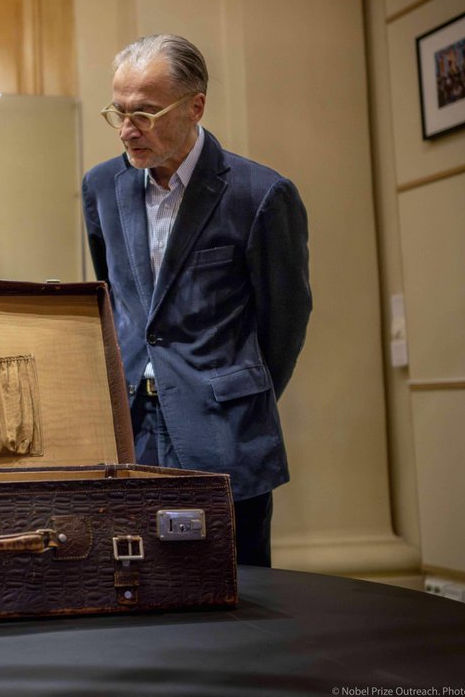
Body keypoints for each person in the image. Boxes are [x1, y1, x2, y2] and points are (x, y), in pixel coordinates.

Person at [81, 35, 312, 567]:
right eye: (117, 111)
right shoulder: (101, 186)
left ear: (195, 107)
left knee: (236, 594)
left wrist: (232, 389)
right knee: (132, 586)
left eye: (143, 112)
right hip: (129, 432)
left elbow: (285, 320)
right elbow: (119, 302)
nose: (126, 130)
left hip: (225, 431)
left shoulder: (261, 193)